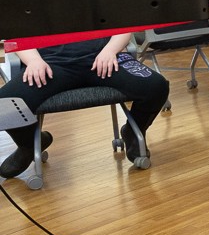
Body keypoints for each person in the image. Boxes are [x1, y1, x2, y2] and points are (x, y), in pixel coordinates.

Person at [0, 34, 169, 177]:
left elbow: (124, 25)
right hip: (50, 62)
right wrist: (34, 61)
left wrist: (111, 50)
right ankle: (29, 145)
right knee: (4, 105)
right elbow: (16, 34)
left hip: (104, 56)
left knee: (156, 86)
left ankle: (134, 131)